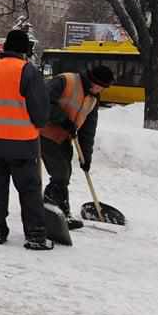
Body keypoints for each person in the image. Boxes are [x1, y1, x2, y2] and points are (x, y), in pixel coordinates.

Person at [0, 29, 52, 250]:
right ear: (25, 50)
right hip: (22, 143)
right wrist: (41, 123)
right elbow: (39, 110)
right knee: (28, 189)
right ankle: (35, 235)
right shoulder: (28, 71)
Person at [40, 65, 115, 222]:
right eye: (100, 86)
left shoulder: (93, 98)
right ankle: (49, 208)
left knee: (64, 176)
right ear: (93, 81)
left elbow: (88, 130)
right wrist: (63, 120)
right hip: (45, 133)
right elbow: (42, 102)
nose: (101, 90)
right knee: (60, 175)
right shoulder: (66, 81)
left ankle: (61, 212)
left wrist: (86, 157)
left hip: (64, 138)